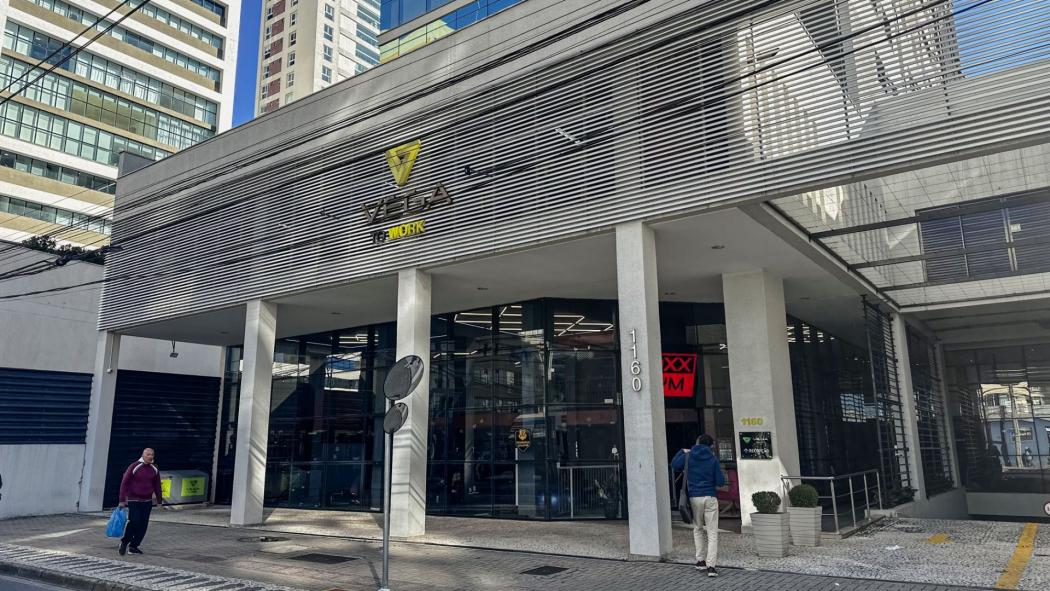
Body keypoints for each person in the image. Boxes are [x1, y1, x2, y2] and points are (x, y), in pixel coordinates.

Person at [672, 434, 725, 577]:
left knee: (698, 528)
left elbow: (674, 465)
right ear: (710, 446)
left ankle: (700, 561)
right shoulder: (713, 459)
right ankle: (711, 566)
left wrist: (682, 451)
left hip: (694, 497)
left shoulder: (689, 456)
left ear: (697, 442)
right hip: (710, 497)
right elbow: (720, 481)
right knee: (712, 532)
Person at [117, 448, 165, 556]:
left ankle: (133, 546)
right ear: (143, 455)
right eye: (148, 454)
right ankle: (124, 542)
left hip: (147, 501)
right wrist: (122, 500)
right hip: (134, 499)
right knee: (134, 521)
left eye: (152, 454)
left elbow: (157, 485)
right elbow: (124, 483)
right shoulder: (134, 466)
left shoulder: (154, 468)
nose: (150, 456)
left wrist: (159, 501)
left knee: (143, 525)